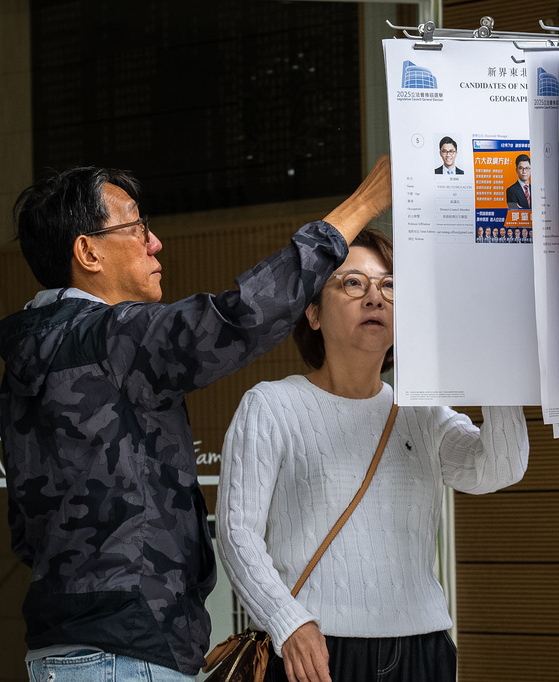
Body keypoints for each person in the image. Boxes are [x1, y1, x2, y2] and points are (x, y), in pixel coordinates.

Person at [0, 158, 392, 682]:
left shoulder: (32, 356)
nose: (154, 242)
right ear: (87, 251)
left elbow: (27, 533)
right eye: (135, 227)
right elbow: (240, 318)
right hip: (128, 653)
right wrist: (365, 202)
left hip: (62, 652)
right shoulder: (112, 338)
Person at [217, 227, 529, 682]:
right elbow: (235, 532)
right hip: (315, 650)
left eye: (388, 285)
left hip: (422, 649)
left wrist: (498, 370)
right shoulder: (271, 406)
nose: (375, 297)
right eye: (352, 283)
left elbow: (497, 468)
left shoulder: (421, 411)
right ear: (314, 313)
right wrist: (288, 621)